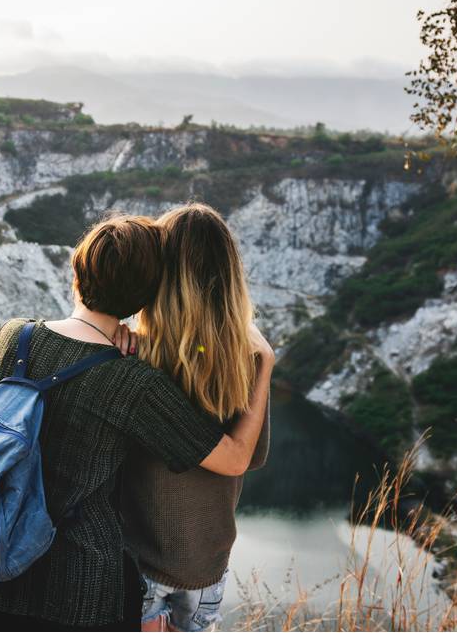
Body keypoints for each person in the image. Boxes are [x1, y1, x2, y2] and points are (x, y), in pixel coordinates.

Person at [0, 213, 274, 632]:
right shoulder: (132, 381)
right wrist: (263, 361)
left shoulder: (13, 337)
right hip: (80, 592)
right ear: (142, 296)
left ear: (76, 273)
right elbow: (239, 458)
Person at [114, 203, 272, 632]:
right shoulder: (245, 360)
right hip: (207, 563)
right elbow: (251, 457)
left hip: (141, 559)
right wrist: (267, 365)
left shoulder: (133, 352)